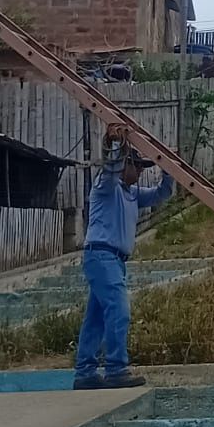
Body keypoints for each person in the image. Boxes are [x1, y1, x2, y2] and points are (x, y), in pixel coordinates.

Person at [74, 127, 175, 390]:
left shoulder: (133, 194)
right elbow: (110, 170)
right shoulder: (105, 187)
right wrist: (117, 145)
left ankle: (85, 372)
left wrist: (168, 170)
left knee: (96, 317)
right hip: (102, 255)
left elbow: (162, 194)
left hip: (114, 261)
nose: (140, 171)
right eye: (137, 165)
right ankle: (116, 369)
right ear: (125, 165)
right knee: (119, 311)